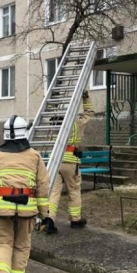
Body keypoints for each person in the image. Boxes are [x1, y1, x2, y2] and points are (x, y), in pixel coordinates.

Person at [0, 115, 50, 273]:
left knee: (1, 244)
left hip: (0, 209)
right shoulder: (34, 156)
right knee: (21, 245)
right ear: (24, 133)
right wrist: (44, 214)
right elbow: (42, 187)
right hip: (26, 209)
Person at [43, 89, 95, 234]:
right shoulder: (77, 123)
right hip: (71, 161)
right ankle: (75, 219)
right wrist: (86, 97)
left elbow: (49, 110)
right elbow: (89, 113)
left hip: (55, 161)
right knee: (74, 191)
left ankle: (49, 219)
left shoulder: (55, 124)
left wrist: (54, 97)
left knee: (54, 192)